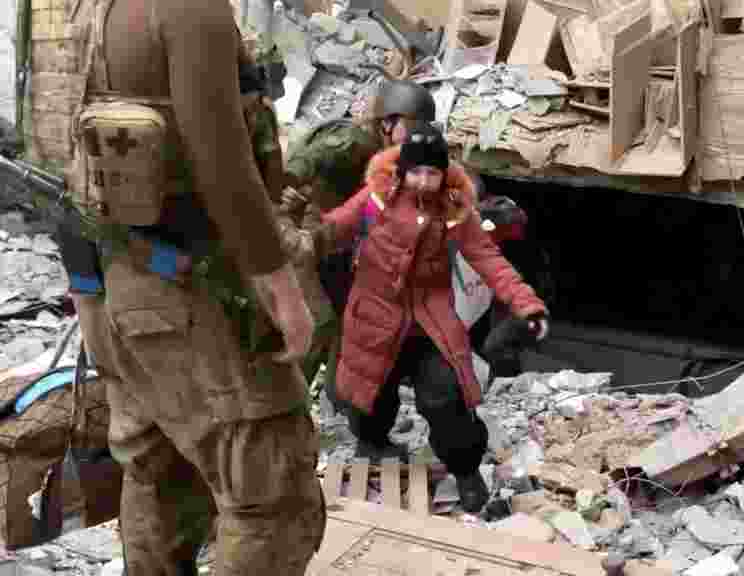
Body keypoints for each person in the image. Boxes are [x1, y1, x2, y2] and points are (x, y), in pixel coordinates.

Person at [69, 1, 324, 573]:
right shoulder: (190, 8)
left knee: (161, 472)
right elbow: (222, 162)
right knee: (273, 499)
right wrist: (282, 288)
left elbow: (57, 149)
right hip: (193, 290)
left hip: (114, 280)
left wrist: (85, 291)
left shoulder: (86, 9)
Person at [315, 122, 550, 512]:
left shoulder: (454, 208)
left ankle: (466, 470)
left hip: (429, 322)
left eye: (432, 173)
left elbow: (488, 259)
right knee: (368, 391)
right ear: (402, 170)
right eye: (416, 172)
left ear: (443, 174)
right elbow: (335, 228)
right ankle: (373, 443)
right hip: (376, 317)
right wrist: (305, 229)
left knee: (445, 398)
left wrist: (525, 303)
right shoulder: (377, 197)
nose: (424, 182)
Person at [278, 79, 438, 462]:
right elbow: (291, 172)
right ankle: (281, 417)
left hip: (340, 242)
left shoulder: (393, 153)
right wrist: (288, 200)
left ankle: (348, 415)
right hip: (305, 237)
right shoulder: (350, 142)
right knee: (317, 324)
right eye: (412, 127)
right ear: (387, 122)